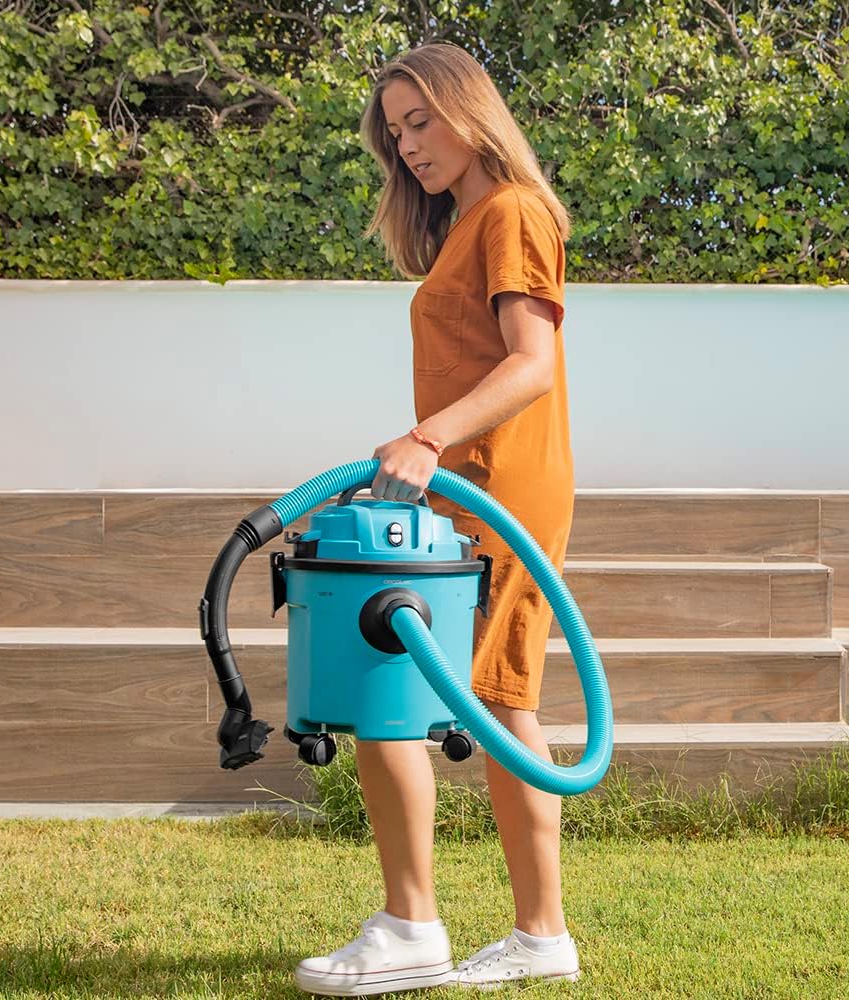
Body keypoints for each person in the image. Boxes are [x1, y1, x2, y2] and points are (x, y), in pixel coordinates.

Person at [295, 41, 580, 996]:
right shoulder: (469, 221)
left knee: (441, 690)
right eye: (395, 132)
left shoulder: (512, 211)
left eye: (421, 121)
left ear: (470, 110)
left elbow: (531, 362)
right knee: (472, 699)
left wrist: (428, 438)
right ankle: (504, 932)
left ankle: (437, 929)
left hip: (498, 488)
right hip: (458, 490)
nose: (408, 145)